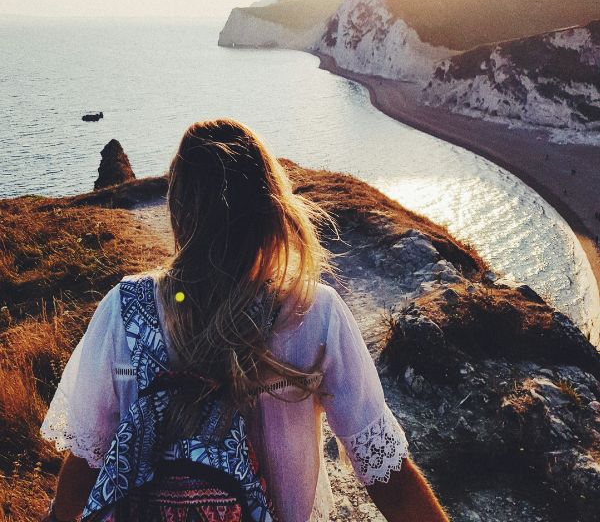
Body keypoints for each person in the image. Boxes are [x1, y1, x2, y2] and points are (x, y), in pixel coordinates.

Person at [40, 118, 450, 522]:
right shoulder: (314, 313)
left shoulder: (123, 310)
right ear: (271, 209)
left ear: (179, 211)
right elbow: (386, 478)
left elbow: (89, 458)